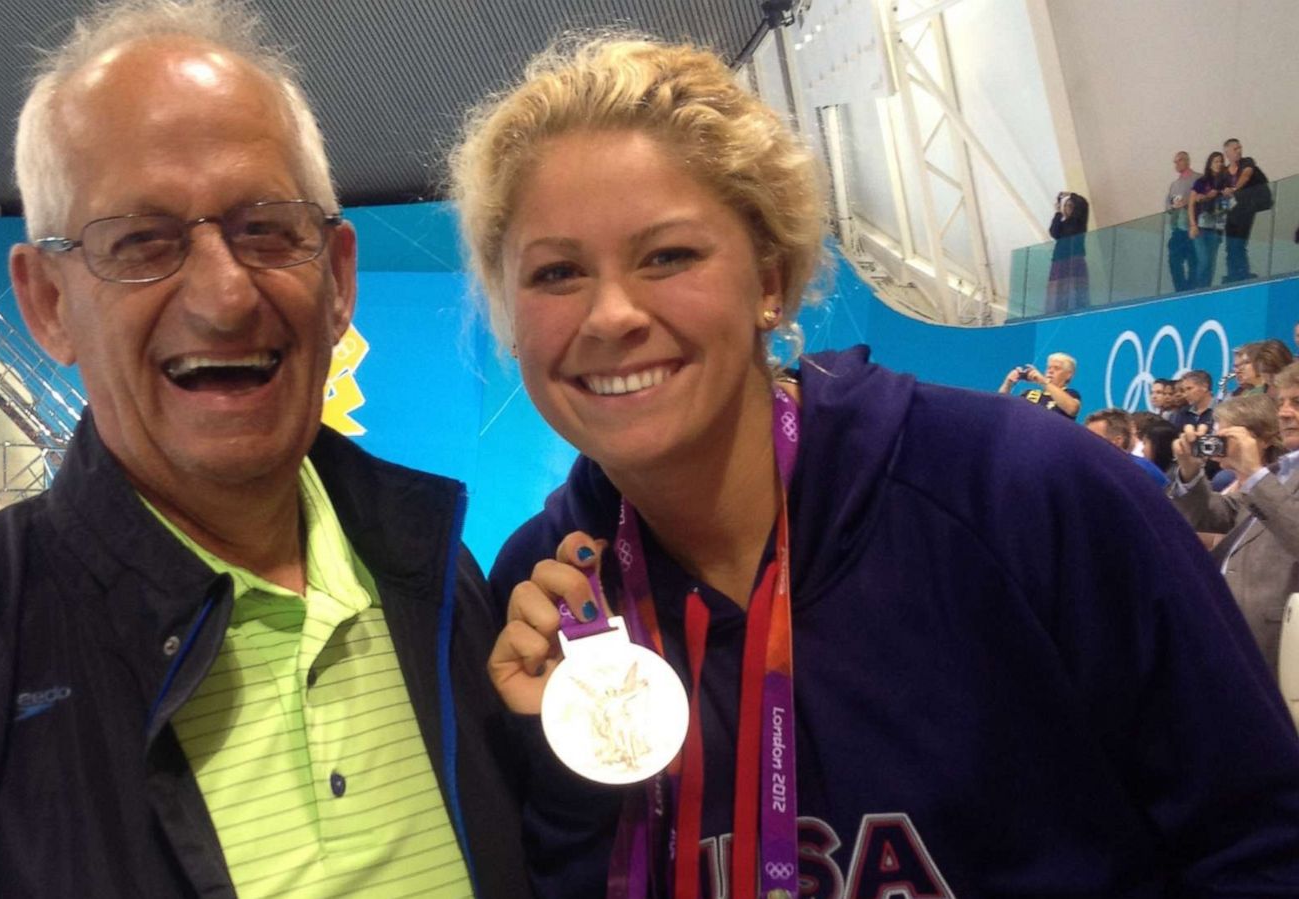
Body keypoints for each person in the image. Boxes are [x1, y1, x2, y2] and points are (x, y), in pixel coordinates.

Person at [449, 34, 1299, 899]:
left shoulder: (1026, 494)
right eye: (557, 272)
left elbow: (1262, 842)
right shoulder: (545, 597)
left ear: (769, 278)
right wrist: (568, 781)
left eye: (667, 255)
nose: (612, 313)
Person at [0, 2, 529, 897]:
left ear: (337, 278)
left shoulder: (437, 584)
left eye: (266, 228)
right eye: (141, 242)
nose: (225, 296)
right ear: (46, 303)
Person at [1170, 376, 1299, 676]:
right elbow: (1217, 515)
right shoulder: (1284, 470)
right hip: (1234, 634)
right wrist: (1189, 473)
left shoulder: (1265, 475)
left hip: (1281, 645)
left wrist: (1253, 473)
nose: (1284, 412)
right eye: (1281, 403)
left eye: (1297, 403)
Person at [1222, 138, 1272, 284]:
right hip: (1231, 212)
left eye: (1240, 148)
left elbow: (1246, 174)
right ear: (1227, 152)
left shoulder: (1247, 162)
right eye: (1235, 149)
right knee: (1230, 246)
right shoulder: (1224, 173)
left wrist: (1235, 189)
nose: (1239, 151)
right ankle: (1233, 275)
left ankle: (1242, 274)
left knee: (1239, 244)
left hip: (1246, 208)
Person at [1087, 408, 1168, 487]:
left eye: (1094, 438)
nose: (1087, 442)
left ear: (1117, 441)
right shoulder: (1091, 470)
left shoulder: (1141, 470)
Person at [1188, 151, 1232, 288]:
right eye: (1216, 161)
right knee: (1204, 260)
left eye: (1221, 161)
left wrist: (1227, 195)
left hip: (1216, 226)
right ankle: (1199, 287)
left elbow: (1227, 206)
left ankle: (1206, 288)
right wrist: (1193, 224)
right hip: (1201, 225)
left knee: (1212, 262)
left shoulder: (1225, 183)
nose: (1219, 164)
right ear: (1210, 164)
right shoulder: (1202, 181)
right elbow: (1191, 203)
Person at [996, 352, 1082, 418]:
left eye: (1056, 368)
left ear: (1069, 375)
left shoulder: (1070, 394)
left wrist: (1043, 381)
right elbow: (1000, 406)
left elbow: (1072, 409)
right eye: (1049, 367)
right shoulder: (1029, 393)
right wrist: (1008, 383)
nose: (1050, 371)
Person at [1046, 191, 1090, 312]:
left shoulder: (1079, 222)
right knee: (1058, 290)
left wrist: (1070, 194)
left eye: (1071, 205)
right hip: (1059, 260)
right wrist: (1058, 212)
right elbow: (1054, 232)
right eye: (1066, 206)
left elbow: (1083, 204)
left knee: (1076, 289)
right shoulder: (1062, 223)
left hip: (1074, 258)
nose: (1068, 208)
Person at [1164, 151, 1199, 292]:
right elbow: (1168, 204)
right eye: (1175, 162)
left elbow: (1203, 198)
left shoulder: (1198, 179)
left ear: (1187, 161)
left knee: (1193, 261)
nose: (1176, 164)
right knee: (1174, 260)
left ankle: (1192, 288)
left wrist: (1187, 202)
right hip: (1178, 228)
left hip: (1192, 227)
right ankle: (1181, 289)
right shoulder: (1174, 184)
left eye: (1179, 161)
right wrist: (1173, 205)